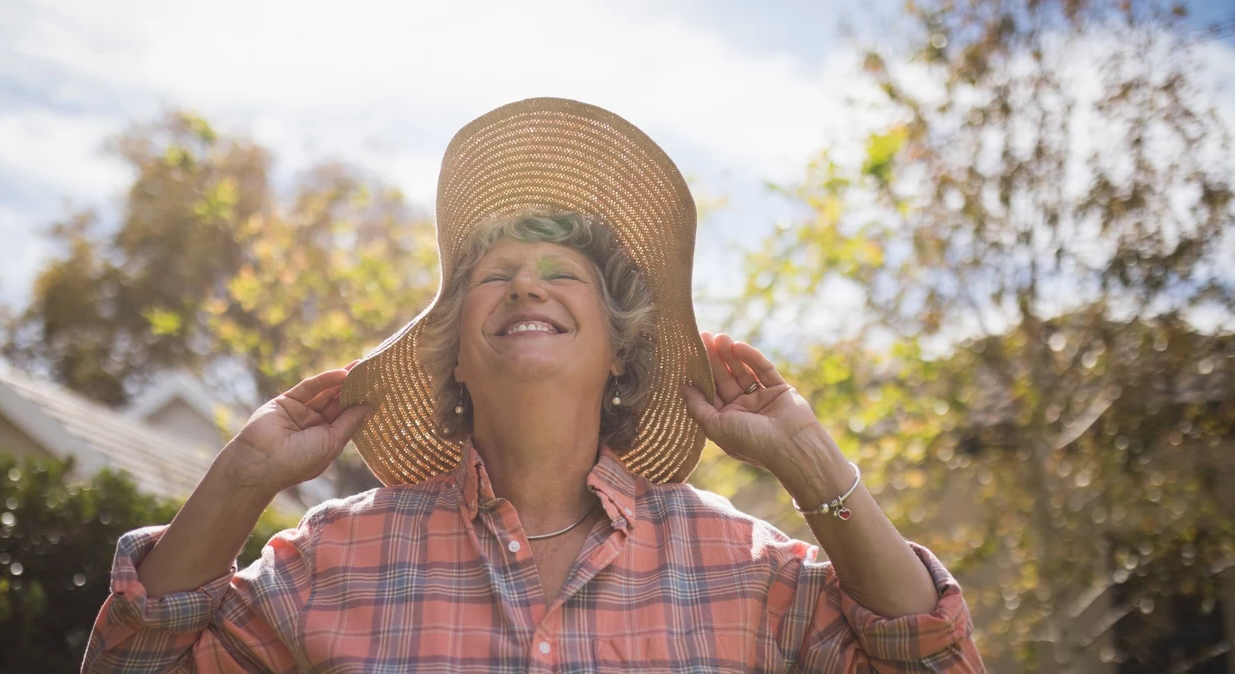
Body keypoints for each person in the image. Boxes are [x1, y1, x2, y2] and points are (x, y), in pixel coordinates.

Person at [81, 97, 983, 673]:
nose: (526, 284)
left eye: (563, 272)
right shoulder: (336, 559)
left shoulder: (743, 570)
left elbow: (935, 665)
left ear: (623, 350)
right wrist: (242, 475)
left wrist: (809, 457)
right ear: (456, 354)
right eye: (495, 272)